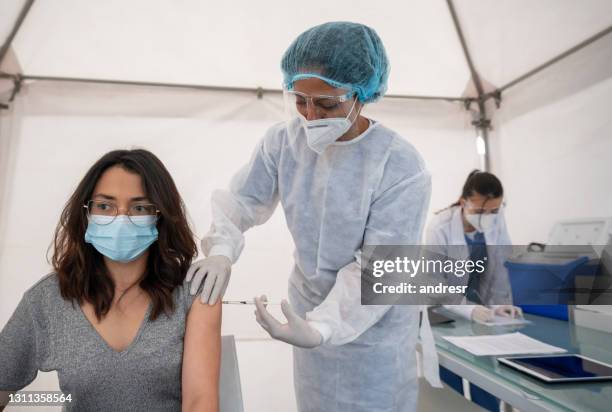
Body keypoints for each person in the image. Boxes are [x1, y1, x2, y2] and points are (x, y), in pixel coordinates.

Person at [187, 21, 440, 412]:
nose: (309, 115)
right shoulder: (283, 142)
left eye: (326, 104)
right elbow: (241, 201)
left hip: (373, 336)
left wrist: (325, 326)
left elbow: (381, 270)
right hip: (306, 316)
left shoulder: (400, 166)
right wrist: (221, 247)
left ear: (362, 94)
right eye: (300, 99)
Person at [0, 150, 220, 412]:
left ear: (161, 215)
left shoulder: (194, 292)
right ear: (87, 212)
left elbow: (200, 403)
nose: (121, 218)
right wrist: (45, 400)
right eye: (105, 206)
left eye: (139, 208)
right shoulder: (48, 299)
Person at [425, 169, 522, 321]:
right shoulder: (439, 228)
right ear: (464, 203)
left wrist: (500, 305)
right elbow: (434, 282)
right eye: (480, 211)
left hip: (482, 309)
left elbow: (500, 270)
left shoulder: (497, 221)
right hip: (444, 311)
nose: (487, 217)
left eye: (494, 210)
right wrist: (468, 309)